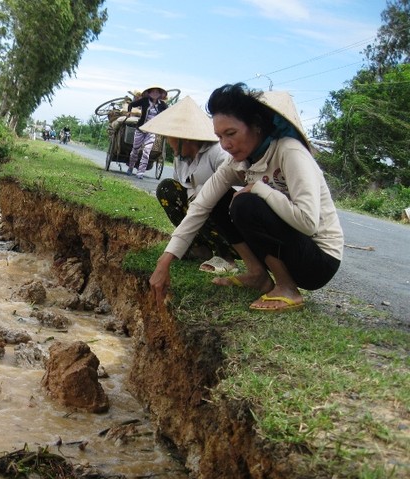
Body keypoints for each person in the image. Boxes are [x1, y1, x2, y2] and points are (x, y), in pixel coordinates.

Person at [149, 83, 344, 312]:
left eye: (231, 134)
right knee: (216, 198)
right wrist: (165, 261)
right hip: (290, 247)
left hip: (317, 260)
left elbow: (309, 223)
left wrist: (261, 189)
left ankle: (287, 287)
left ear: (257, 126)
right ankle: (257, 275)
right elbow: (200, 206)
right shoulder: (238, 162)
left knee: (246, 203)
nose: (225, 144)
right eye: (219, 136)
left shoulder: (289, 152)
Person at [139, 95, 237, 272]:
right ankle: (199, 248)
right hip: (197, 213)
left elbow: (236, 191)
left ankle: (225, 256)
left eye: (171, 138)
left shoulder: (218, 153)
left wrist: (202, 195)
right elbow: (181, 193)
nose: (169, 144)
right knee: (167, 189)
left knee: (208, 195)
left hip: (226, 222)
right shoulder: (180, 158)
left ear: (186, 138)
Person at [126, 85, 168, 179]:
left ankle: (140, 172)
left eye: (157, 92)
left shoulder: (162, 105)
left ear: (160, 94)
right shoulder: (144, 101)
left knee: (146, 152)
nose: (155, 93)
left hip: (151, 131)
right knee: (135, 150)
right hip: (140, 129)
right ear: (149, 93)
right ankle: (131, 167)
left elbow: (168, 112)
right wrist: (129, 112)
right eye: (153, 92)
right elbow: (131, 105)